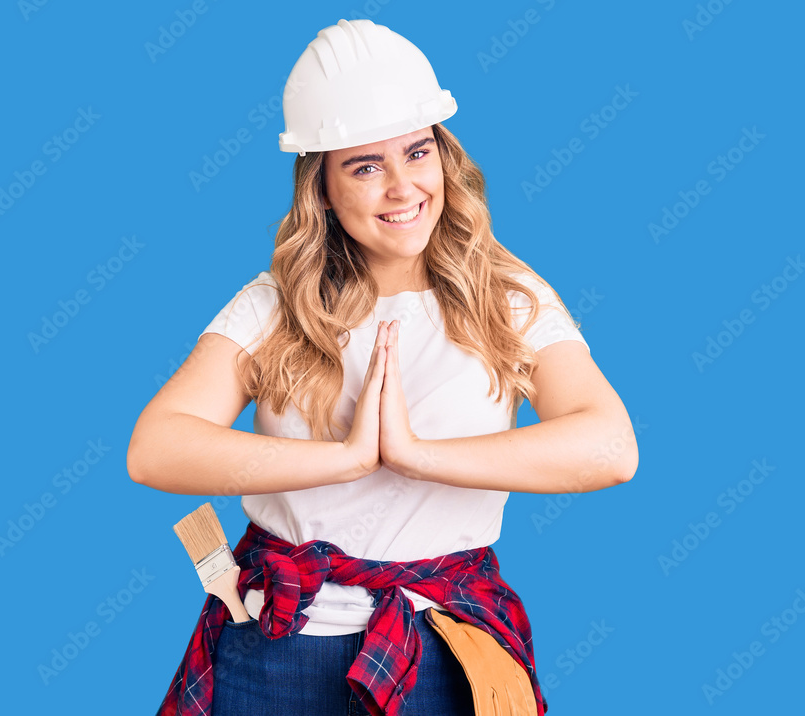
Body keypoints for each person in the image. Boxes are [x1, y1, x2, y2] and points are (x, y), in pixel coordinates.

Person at [128, 17, 638, 716]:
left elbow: (611, 447)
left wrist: (417, 456)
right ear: (323, 189)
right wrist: (345, 459)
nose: (403, 188)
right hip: (278, 644)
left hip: (446, 649)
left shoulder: (509, 296)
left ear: (444, 157)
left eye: (416, 153)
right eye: (365, 166)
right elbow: (155, 449)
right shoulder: (276, 304)